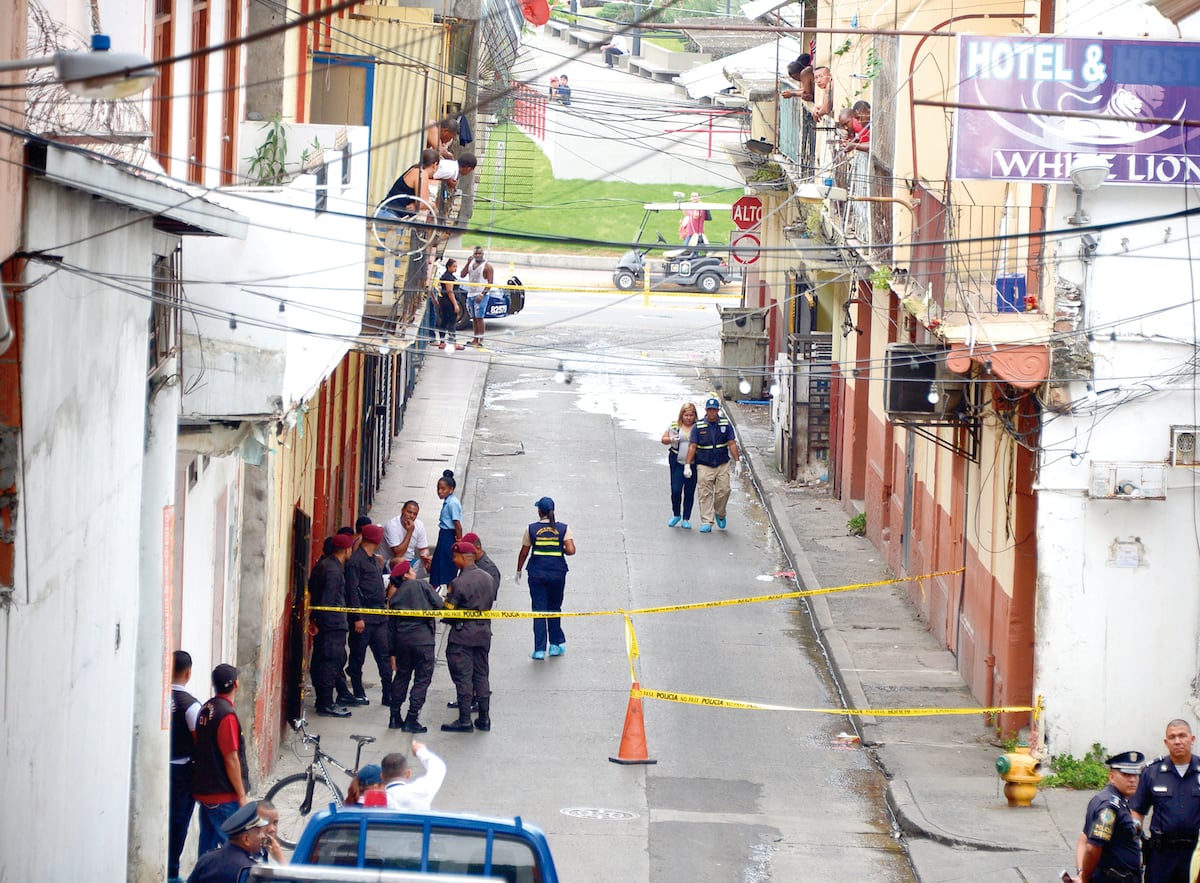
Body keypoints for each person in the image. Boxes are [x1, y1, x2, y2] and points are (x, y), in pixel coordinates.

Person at [191, 664, 250, 857]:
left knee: (207, 849)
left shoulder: (206, 709)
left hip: (206, 790)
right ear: (236, 685)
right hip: (223, 794)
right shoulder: (227, 716)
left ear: (213, 684)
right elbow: (231, 758)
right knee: (234, 849)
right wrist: (241, 795)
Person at [1132, 719, 1200, 882]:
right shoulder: (1152, 772)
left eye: (1182, 736)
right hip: (1161, 855)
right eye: (1172, 737)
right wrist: (1134, 836)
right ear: (1166, 742)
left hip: (1195, 853)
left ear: (1192, 739)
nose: (1177, 741)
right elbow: (1137, 810)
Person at [441, 541, 495, 732]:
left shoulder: (457, 583)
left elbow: (448, 612)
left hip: (462, 636)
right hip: (483, 633)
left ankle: (464, 720)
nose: (454, 560)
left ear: (464, 558)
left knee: (464, 677)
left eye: (455, 557)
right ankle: (484, 718)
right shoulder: (488, 578)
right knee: (482, 675)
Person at [386, 560, 444, 733]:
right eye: (411, 570)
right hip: (423, 641)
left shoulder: (394, 599)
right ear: (405, 575)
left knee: (402, 677)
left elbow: (391, 628)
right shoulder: (421, 585)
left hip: (403, 642)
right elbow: (439, 603)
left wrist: (392, 652)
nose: (413, 572)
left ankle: (394, 716)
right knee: (422, 679)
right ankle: (412, 718)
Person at [1069, 751, 1145, 883]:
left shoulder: (1111, 799)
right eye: (1126, 774)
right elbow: (1092, 848)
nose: (1132, 779)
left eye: (1135, 774)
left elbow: (1084, 838)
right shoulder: (1110, 807)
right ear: (1111, 777)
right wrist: (1085, 878)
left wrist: (1081, 873)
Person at [309, 533, 363, 717]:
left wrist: (315, 618)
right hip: (332, 626)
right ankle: (326, 703)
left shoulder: (324, 565)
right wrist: (321, 620)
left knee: (326, 661)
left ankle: (324, 701)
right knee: (330, 662)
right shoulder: (333, 571)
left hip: (326, 624)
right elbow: (328, 600)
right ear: (347, 550)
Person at [515, 496, 576, 660]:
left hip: (537, 574)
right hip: (558, 573)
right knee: (555, 608)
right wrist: (558, 545)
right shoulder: (563, 528)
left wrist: (518, 570)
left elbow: (524, 552)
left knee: (539, 610)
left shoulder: (531, 529)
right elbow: (571, 550)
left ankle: (539, 649)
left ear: (539, 511)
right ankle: (555, 645)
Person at [346, 523, 391, 707]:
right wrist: (357, 617)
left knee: (384, 656)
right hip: (364, 617)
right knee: (357, 657)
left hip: (378, 617)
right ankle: (358, 691)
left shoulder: (373, 559)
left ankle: (388, 693)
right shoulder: (356, 561)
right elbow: (352, 590)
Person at [684, 397, 741, 533]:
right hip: (704, 464)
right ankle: (707, 521)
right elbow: (692, 446)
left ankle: (720, 513)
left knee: (724, 490)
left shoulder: (725, 424)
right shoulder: (698, 426)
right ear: (706, 411)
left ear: (718, 410)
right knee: (705, 493)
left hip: (722, 463)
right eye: (709, 410)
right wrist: (687, 464)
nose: (712, 412)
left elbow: (732, 443)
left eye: (714, 409)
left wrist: (737, 461)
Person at [169, 650, 202, 883]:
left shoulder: (160, 698)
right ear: (188, 673)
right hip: (182, 773)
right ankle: (172, 871)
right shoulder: (191, 706)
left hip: (164, 769)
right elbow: (199, 741)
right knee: (179, 822)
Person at [186, 800, 269, 883]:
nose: (263, 836)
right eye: (259, 832)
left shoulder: (206, 860)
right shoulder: (249, 871)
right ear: (246, 839)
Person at [662, 402, 699, 529]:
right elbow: (663, 439)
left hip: (693, 464)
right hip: (677, 463)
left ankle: (686, 518)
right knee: (676, 490)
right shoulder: (674, 426)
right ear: (681, 415)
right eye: (686, 415)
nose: (688, 418)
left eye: (691, 415)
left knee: (689, 492)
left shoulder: (698, 427)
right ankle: (676, 514)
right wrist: (671, 440)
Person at [383, 741, 447, 811]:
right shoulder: (420, 791)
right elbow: (438, 767)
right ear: (408, 774)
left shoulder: (375, 800)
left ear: (382, 776)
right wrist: (420, 751)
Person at [379, 148, 439, 219]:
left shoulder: (414, 169)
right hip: (389, 215)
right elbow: (422, 203)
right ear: (435, 165)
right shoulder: (421, 173)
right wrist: (433, 206)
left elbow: (420, 201)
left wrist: (415, 204)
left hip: (386, 211)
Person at [429, 469, 464, 588]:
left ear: (451, 489)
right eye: (438, 489)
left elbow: (457, 524)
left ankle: (450, 590)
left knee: (447, 563)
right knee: (438, 563)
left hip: (449, 536)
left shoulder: (452, 503)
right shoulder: (447, 501)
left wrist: (459, 540)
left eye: (443, 489)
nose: (439, 492)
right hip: (443, 534)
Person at [384, 500, 433, 577]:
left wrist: (425, 556)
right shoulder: (392, 526)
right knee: (401, 561)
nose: (412, 516)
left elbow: (424, 548)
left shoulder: (419, 525)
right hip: (392, 563)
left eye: (415, 514)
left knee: (433, 560)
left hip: (411, 562)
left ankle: (433, 586)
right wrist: (409, 532)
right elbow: (398, 554)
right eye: (409, 512)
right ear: (402, 511)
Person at [458, 246, 495, 348]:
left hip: (480, 294)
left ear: (483, 254)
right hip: (470, 294)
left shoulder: (487, 266)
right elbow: (462, 275)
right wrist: (467, 263)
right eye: (476, 254)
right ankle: (475, 338)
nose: (478, 256)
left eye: (479, 254)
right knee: (473, 318)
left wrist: (482, 294)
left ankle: (481, 339)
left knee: (479, 317)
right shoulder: (470, 264)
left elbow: (490, 283)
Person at [433, 259, 463, 350]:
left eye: (456, 266)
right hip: (448, 302)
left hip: (444, 301)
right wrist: (455, 304)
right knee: (451, 322)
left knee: (444, 321)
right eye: (454, 266)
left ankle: (442, 342)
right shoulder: (448, 277)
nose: (455, 268)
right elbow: (450, 291)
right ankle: (453, 342)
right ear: (448, 267)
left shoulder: (447, 276)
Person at [462, 532, 501, 601]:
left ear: (478, 547)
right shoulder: (468, 563)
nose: (466, 555)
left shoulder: (490, 569)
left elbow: (489, 595)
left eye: (468, 552)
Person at [255, 799, 286, 865]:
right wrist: (281, 859)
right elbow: (288, 874)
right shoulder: (252, 854)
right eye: (266, 823)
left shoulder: (263, 847)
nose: (272, 829)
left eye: (275, 823)